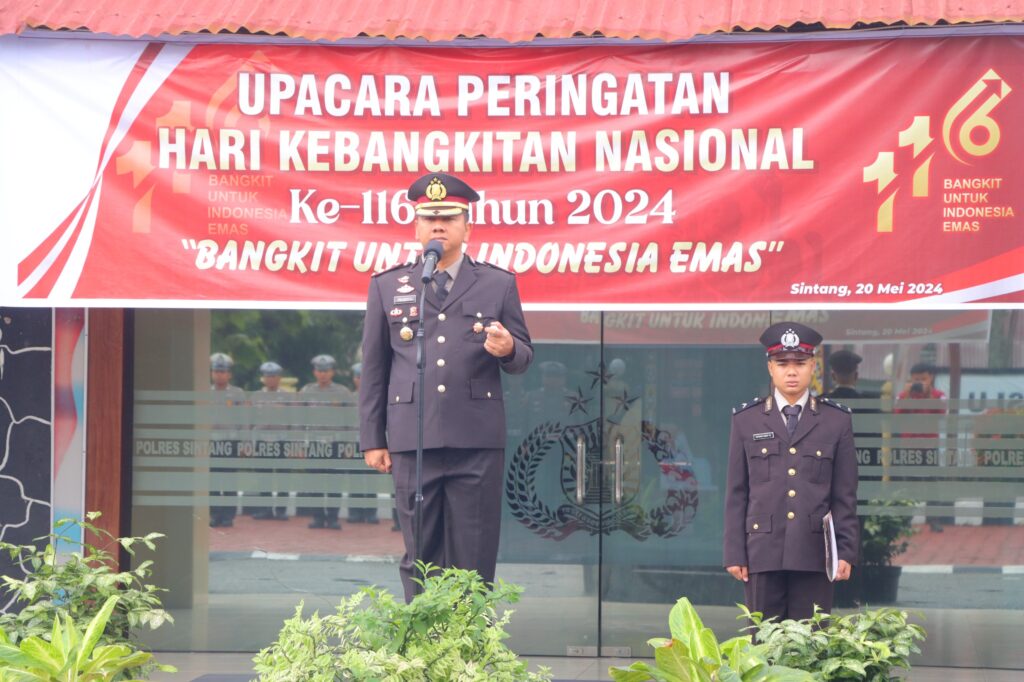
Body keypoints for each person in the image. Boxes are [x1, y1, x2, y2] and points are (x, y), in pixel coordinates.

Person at [359, 171, 534, 601]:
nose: (439, 225)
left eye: (449, 217)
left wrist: (508, 346)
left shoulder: (497, 282)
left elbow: (524, 356)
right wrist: (371, 439)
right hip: (411, 441)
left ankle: (469, 650)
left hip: (475, 440)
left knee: (473, 554)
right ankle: (424, 650)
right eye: (429, 217)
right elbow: (375, 368)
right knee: (420, 554)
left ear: (467, 226)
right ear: (417, 226)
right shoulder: (389, 286)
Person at [723, 321, 859, 622]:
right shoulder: (747, 420)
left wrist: (846, 551)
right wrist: (734, 552)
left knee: (810, 644)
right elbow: (737, 492)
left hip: (814, 552)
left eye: (800, 363)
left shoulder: (836, 421)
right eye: (782, 363)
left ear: (814, 366)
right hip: (761, 551)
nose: (792, 371)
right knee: (764, 645)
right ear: (770, 368)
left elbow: (844, 495)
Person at [300, 354, 354, 530]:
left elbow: (350, 421)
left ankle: (332, 518)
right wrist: (299, 444)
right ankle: (317, 517)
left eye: (326, 371)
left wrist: (349, 444)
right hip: (314, 443)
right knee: (314, 483)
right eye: (319, 371)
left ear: (332, 372)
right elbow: (298, 420)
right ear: (314, 372)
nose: (323, 374)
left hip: (336, 443)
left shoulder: (342, 392)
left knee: (334, 482)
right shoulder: (307, 392)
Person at [208, 352, 246, 528]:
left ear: (229, 374)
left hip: (231, 442)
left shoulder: (237, 394)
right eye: (216, 371)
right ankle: (215, 514)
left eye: (223, 372)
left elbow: (244, 421)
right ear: (211, 373)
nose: (219, 375)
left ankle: (229, 515)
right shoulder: (205, 392)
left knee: (229, 479)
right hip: (212, 443)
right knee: (213, 480)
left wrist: (245, 442)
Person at [250, 361, 289, 520]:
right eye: (268, 376)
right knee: (263, 476)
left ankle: (281, 511)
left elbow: (294, 420)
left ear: (279, 378)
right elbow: (250, 420)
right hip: (262, 440)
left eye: (274, 376)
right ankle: (265, 509)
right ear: (263, 378)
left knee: (282, 476)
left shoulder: (286, 397)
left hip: (281, 440)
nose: (271, 379)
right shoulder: (256, 396)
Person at [347, 361, 379, 524]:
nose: (360, 380)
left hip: (372, 443)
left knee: (371, 479)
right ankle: (355, 513)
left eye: (362, 376)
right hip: (352, 442)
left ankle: (371, 513)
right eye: (357, 377)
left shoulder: (377, 396)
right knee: (355, 479)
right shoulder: (349, 398)